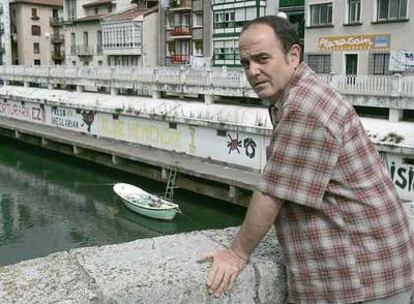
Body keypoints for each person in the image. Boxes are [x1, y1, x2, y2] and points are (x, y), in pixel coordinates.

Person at [199, 15, 414, 303]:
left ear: (293, 55)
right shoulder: (300, 95)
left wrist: (237, 253)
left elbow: (272, 192)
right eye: (245, 63)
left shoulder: (304, 106)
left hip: (363, 278)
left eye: (262, 58)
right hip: (374, 268)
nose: (253, 71)